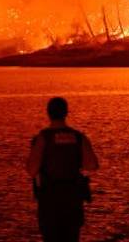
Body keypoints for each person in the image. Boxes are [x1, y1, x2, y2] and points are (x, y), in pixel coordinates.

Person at [25, 97, 99, 242]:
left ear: (48, 113)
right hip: (72, 201)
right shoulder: (78, 137)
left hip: (50, 202)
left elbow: (31, 170)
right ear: (66, 113)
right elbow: (92, 165)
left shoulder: (42, 138)